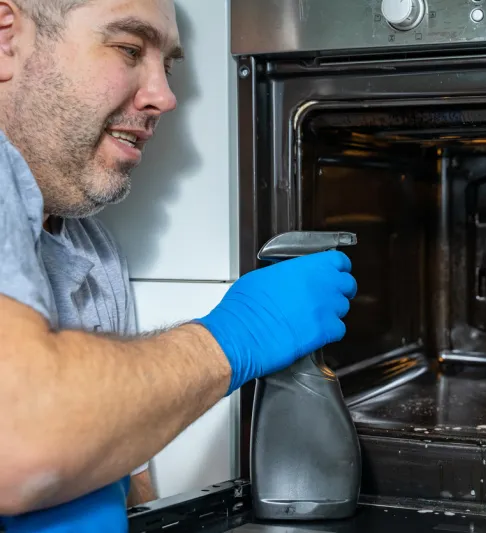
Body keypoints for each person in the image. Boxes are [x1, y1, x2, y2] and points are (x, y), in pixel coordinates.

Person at [0, 0, 357, 531]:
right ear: (7, 37)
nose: (166, 97)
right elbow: (20, 436)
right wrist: (236, 335)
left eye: (167, 64)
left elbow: (131, 478)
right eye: (127, 48)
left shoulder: (91, 251)